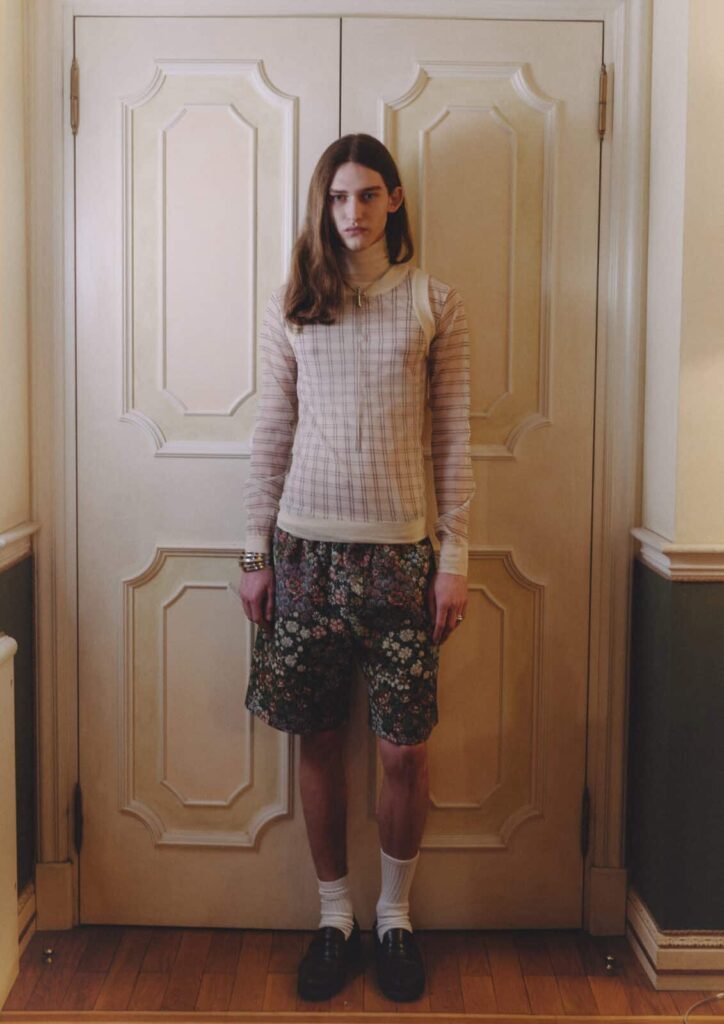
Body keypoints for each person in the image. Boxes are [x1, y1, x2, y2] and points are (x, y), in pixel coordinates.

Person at [238, 133, 475, 1003]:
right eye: (338, 198)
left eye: (368, 196)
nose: (352, 213)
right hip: (303, 558)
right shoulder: (295, 303)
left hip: (403, 564)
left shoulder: (434, 303)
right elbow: (271, 434)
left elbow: (452, 441)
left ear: (396, 200)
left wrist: (453, 560)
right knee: (319, 740)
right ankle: (334, 916)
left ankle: (393, 918)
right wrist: (252, 553)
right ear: (321, 203)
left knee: (403, 751)